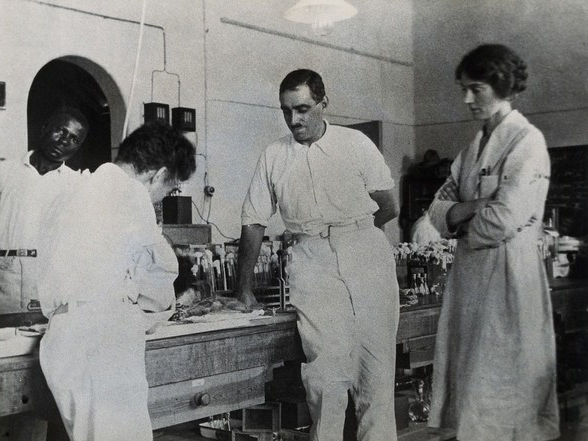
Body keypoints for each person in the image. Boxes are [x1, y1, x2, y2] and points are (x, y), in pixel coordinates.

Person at [237, 69, 400, 441]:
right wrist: (243, 289)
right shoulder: (274, 156)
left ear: (324, 104)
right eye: (286, 111)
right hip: (311, 259)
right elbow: (253, 222)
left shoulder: (356, 144)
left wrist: (355, 238)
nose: (295, 120)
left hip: (365, 251)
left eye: (304, 109)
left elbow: (388, 206)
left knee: (375, 372)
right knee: (326, 375)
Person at [427, 44, 559, 440]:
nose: (467, 99)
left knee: (504, 389)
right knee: (470, 392)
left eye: (476, 89)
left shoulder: (526, 141)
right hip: (469, 279)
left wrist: (463, 215)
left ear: (501, 86)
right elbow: (437, 210)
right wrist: (474, 206)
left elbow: (504, 220)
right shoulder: (471, 149)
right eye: (463, 88)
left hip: (507, 279)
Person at [37, 122, 196, 441]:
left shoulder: (70, 191)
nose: (163, 197)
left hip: (62, 337)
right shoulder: (131, 196)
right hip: (105, 341)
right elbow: (157, 283)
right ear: (159, 175)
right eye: (170, 188)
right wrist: (164, 305)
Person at [0, 106, 89, 311]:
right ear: (44, 128)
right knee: (4, 338)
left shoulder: (77, 184)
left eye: (73, 139)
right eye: (60, 130)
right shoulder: (4, 172)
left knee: (45, 338)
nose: (64, 140)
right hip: (5, 275)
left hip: (51, 278)